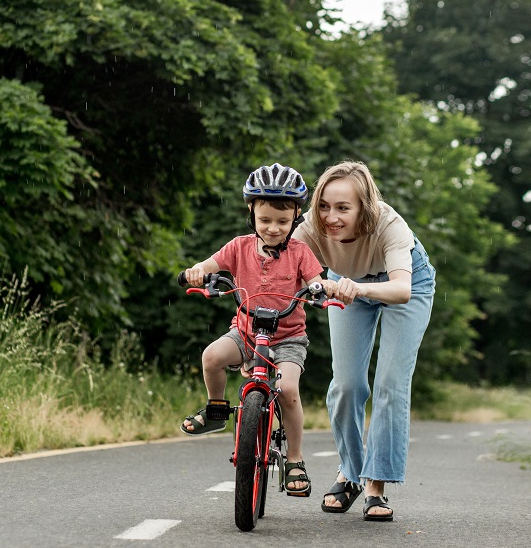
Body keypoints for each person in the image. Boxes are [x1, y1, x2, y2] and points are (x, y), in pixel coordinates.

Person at [292, 160, 436, 522]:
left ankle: (376, 486)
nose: (331, 217)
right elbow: (277, 269)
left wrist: (362, 288)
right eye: (324, 206)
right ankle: (351, 473)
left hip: (406, 283)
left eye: (343, 208)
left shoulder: (390, 225)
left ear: (364, 208)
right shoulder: (310, 227)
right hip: (346, 283)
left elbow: (402, 289)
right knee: (348, 384)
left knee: (389, 382)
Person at [180, 163, 331, 497]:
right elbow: (210, 265)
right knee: (211, 356)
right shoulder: (239, 247)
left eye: (282, 221)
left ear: (296, 215)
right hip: (246, 333)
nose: (273, 228)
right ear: (251, 212)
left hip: (289, 338)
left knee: (289, 390)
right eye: (265, 220)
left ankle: (294, 459)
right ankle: (216, 408)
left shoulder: (300, 252)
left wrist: (320, 289)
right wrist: (197, 271)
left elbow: (315, 280)